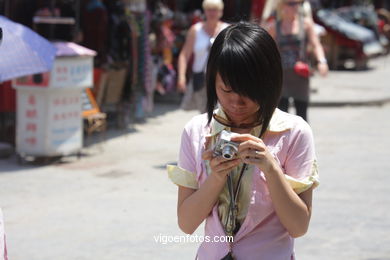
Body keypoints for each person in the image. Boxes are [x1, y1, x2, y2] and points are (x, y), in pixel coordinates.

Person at [167, 22, 319, 260]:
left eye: (248, 91)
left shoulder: (294, 132)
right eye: (226, 90)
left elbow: (299, 227)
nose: (237, 102)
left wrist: (270, 168)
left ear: (269, 83)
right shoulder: (197, 131)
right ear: (212, 83)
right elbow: (186, 223)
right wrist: (215, 177)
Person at [262, 0, 328, 121]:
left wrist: (322, 61)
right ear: (282, 5)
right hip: (282, 76)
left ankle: (301, 139)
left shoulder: (306, 24)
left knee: (302, 113)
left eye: (298, 3)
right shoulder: (275, 26)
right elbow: (266, 50)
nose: (296, 6)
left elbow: (316, 45)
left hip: (300, 74)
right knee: (281, 115)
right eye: (291, 3)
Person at [177, 0, 229, 113]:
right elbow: (184, 54)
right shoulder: (195, 30)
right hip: (200, 79)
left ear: (221, 12)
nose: (212, 13)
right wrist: (181, 76)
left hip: (221, 79)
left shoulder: (227, 30)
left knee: (221, 114)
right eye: (209, 9)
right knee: (205, 114)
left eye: (215, 10)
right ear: (204, 11)